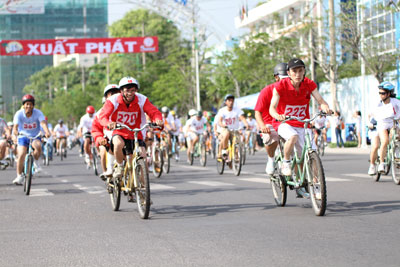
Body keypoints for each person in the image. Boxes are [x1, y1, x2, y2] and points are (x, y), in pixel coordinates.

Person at [270, 58, 331, 176]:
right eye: (294, 71)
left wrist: (325, 107)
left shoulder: (309, 84)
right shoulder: (280, 86)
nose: (298, 74)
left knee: (310, 153)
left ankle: (315, 184)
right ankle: (286, 162)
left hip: (303, 123)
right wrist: (278, 116)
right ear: (288, 73)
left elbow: (320, 100)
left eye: (300, 71)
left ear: (304, 71)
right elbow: (272, 108)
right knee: (293, 136)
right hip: (284, 123)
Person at [98, 76, 163, 179]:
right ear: (121, 91)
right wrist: (108, 123)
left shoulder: (142, 99)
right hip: (120, 131)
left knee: (143, 158)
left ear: (136, 90)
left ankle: (142, 189)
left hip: (137, 133)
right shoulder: (113, 100)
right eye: (127, 90)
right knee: (118, 144)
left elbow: (153, 112)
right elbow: (103, 116)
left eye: (133, 90)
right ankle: (119, 167)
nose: (130, 93)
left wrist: (157, 119)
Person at [254, 62, 287, 175]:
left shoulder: (293, 90)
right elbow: (257, 112)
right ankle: (271, 159)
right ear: (276, 77)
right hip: (269, 122)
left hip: (286, 121)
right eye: (283, 78)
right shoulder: (267, 91)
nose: (286, 81)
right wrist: (262, 126)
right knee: (269, 137)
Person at [12, 94, 51, 185]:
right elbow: (15, 127)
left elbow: (43, 123)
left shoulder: (38, 113)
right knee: (21, 154)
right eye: (27, 104)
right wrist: (15, 132)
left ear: (33, 105)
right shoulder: (19, 114)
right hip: (23, 136)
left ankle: (35, 162)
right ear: (24, 105)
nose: (29, 106)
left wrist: (47, 132)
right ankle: (19, 176)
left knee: (38, 147)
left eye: (30, 104)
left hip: (35, 136)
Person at [368, 82, 400, 175]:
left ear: (389, 93)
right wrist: (370, 123)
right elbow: (370, 115)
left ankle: (396, 152)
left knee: (397, 136)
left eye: (383, 93)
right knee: (384, 141)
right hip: (381, 124)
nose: (381, 95)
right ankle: (379, 163)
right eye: (380, 93)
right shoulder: (377, 104)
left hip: (393, 123)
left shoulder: (396, 102)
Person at [92, 84, 120, 180]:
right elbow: (96, 129)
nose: (114, 95)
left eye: (117, 92)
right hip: (106, 139)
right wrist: (100, 138)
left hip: (123, 137)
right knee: (103, 152)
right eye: (112, 93)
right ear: (106, 97)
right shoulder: (100, 113)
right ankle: (107, 173)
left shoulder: (125, 107)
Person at [217, 94, 249, 158]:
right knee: (226, 134)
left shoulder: (237, 110)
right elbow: (219, 121)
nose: (231, 102)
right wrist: (223, 125)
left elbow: (242, 118)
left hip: (235, 130)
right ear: (226, 102)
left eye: (232, 100)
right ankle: (224, 149)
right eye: (229, 100)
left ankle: (235, 160)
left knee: (237, 145)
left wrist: (246, 125)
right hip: (225, 129)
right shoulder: (222, 111)